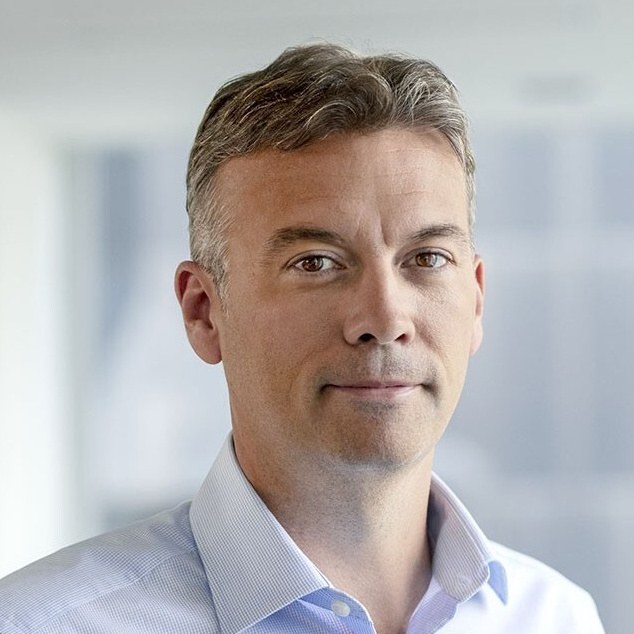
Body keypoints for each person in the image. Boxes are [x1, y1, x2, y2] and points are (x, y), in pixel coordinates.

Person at [0, 43, 605, 634]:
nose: (384, 317)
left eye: (426, 256)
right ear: (203, 312)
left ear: (475, 299)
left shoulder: (557, 616)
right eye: (316, 262)